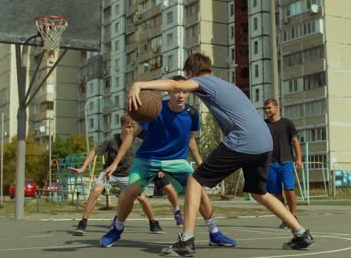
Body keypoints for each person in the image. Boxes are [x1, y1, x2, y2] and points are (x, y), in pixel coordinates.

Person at [126, 53, 314, 257]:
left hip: (244, 138)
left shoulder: (203, 82)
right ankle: (301, 233)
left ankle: (186, 240)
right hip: (263, 141)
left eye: (188, 76)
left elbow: (176, 86)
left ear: (191, 72)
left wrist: (140, 84)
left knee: (195, 181)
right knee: (259, 192)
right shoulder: (226, 85)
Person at [100, 75, 236, 248]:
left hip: (177, 160)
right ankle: (117, 229)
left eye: (184, 92)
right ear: (169, 92)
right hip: (147, 159)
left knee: (199, 191)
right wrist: (114, 163)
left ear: (189, 93)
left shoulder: (192, 114)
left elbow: (190, 140)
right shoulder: (155, 109)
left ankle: (214, 233)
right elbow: (131, 135)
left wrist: (200, 162)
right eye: (176, 91)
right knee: (130, 191)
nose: (180, 95)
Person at [69, 115, 163, 236]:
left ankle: (153, 222)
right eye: (127, 127)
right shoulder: (112, 139)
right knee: (96, 190)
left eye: (133, 127)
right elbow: (94, 151)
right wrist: (83, 167)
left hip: (128, 175)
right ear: (122, 127)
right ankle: (83, 222)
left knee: (142, 198)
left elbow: (150, 156)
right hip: (109, 172)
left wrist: (158, 169)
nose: (130, 130)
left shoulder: (139, 142)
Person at [263, 98, 303, 229]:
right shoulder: (264, 125)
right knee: (276, 193)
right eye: (265, 108)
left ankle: (293, 215)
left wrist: (299, 158)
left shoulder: (287, 123)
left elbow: (295, 141)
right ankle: (286, 216)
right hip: (270, 163)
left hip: (286, 161)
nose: (267, 110)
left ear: (276, 108)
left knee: (289, 188)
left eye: (269, 108)